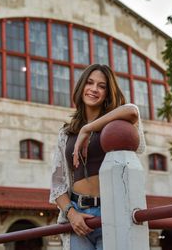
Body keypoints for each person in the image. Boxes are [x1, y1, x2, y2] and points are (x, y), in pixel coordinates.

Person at [49, 64, 146, 250]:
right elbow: (58, 184)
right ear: (81, 86)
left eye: (102, 86)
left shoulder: (115, 124)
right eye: (90, 83)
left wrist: (88, 128)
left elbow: (132, 110)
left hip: (112, 212)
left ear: (108, 93)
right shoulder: (66, 134)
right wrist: (71, 214)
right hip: (78, 216)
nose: (94, 89)